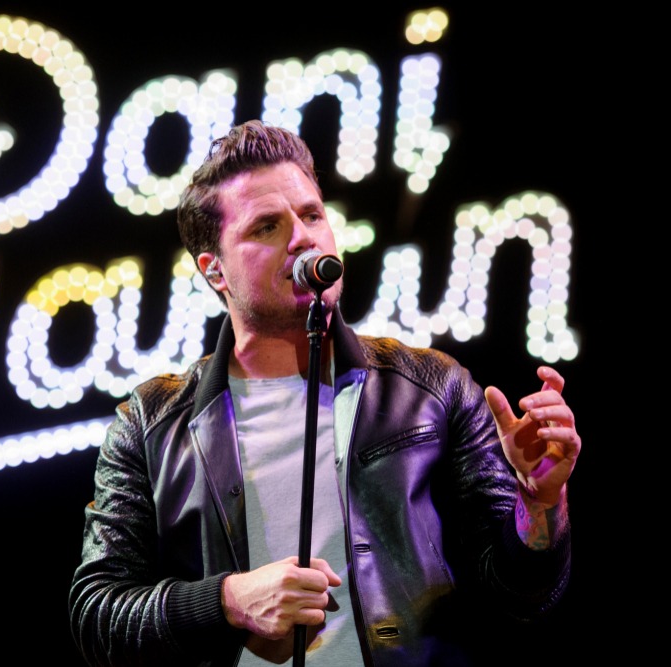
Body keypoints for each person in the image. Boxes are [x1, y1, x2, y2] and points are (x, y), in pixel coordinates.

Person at [68, 120, 580, 667]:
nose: (302, 237)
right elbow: (98, 614)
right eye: (266, 226)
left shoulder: (431, 387)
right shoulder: (150, 424)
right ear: (215, 272)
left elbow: (521, 595)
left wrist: (539, 505)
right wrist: (227, 601)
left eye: (311, 215)